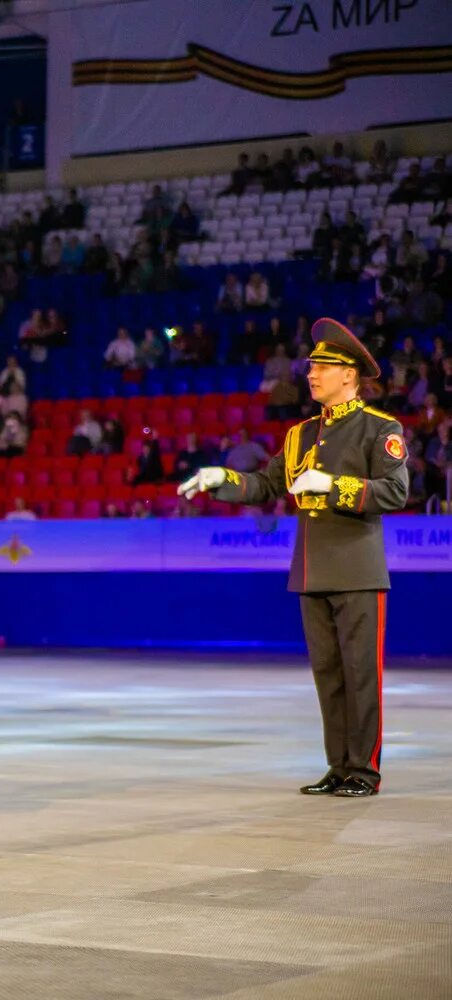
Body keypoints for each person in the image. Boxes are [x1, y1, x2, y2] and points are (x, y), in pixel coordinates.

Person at [180, 319, 408, 797]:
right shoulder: (300, 435)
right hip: (311, 569)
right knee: (328, 677)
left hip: (357, 569)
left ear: (350, 374)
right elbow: (265, 485)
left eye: (322, 366)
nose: (311, 374)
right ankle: (339, 766)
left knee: (360, 675)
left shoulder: (379, 429)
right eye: (311, 366)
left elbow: (395, 491)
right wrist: (221, 477)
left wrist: (335, 487)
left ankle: (364, 771)